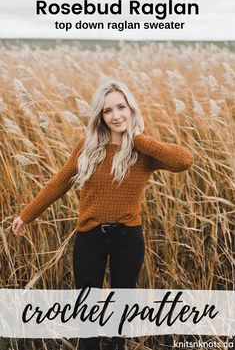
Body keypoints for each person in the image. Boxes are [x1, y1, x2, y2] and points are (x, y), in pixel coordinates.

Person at [12, 79, 194, 350]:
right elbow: (60, 183)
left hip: (128, 237)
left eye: (121, 107)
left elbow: (184, 161)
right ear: (101, 115)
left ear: (131, 109)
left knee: (122, 307)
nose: (116, 115)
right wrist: (26, 215)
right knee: (87, 306)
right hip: (90, 237)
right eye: (108, 110)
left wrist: (139, 138)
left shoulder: (141, 150)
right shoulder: (88, 146)